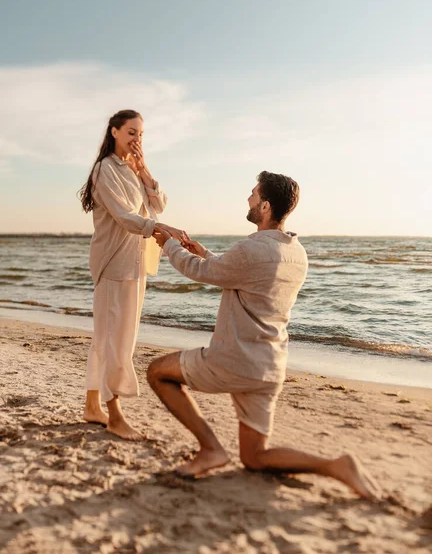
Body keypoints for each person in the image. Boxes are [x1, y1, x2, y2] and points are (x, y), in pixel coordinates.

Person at [148, 171, 381, 500]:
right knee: (255, 457)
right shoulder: (296, 253)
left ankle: (211, 449)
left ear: (266, 205)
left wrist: (170, 245)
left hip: (233, 361)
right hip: (269, 367)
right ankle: (336, 465)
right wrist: (206, 252)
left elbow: (202, 272)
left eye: (254, 194)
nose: (248, 198)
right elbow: (241, 274)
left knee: (157, 372)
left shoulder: (249, 249)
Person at [79, 109, 187, 440]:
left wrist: (144, 170)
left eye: (141, 134)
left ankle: (92, 406)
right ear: (113, 132)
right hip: (114, 264)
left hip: (137, 263)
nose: (137, 139)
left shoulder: (131, 170)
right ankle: (114, 415)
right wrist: (160, 227)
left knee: (107, 338)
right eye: (131, 132)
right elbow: (127, 218)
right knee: (115, 341)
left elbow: (159, 204)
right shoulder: (105, 170)